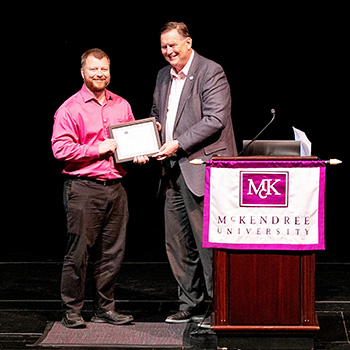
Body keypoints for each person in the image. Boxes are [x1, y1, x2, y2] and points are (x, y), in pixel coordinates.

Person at [149, 22, 238, 324]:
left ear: (188, 42)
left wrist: (176, 144)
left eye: (173, 45)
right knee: (176, 242)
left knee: (208, 243)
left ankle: (220, 304)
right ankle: (189, 302)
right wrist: (151, 132)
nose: (168, 51)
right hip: (171, 171)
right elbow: (157, 114)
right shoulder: (163, 76)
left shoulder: (210, 71)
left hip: (203, 169)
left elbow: (215, 118)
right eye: (163, 46)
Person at [52, 48, 143, 328]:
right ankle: (72, 310)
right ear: (83, 72)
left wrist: (139, 152)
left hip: (115, 188)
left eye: (104, 69)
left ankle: (105, 307)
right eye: (94, 69)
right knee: (78, 253)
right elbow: (60, 149)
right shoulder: (70, 108)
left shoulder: (122, 105)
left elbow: (131, 142)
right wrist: (97, 148)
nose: (100, 74)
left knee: (112, 253)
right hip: (83, 189)